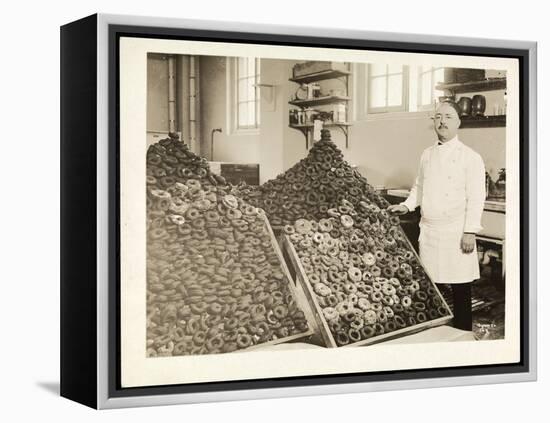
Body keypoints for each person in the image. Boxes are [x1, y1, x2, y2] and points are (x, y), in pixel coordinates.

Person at [387, 101, 486, 332]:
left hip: (455, 232)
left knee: (460, 287)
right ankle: (435, 332)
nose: (442, 121)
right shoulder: (427, 154)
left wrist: (470, 231)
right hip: (430, 232)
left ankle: (462, 333)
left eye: (448, 117)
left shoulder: (470, 157)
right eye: (438, 116)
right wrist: (407, 206)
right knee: (431, 286)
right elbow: (420, 187)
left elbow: (476, 197)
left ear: (459, 122)